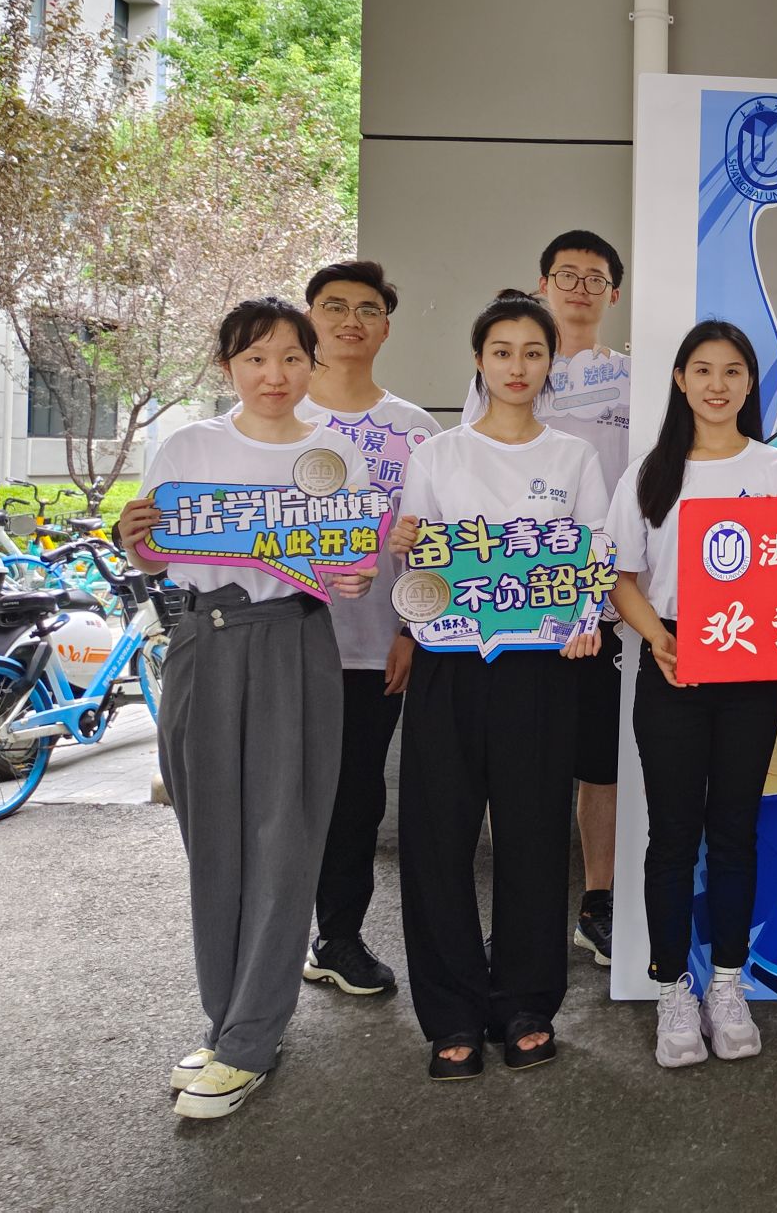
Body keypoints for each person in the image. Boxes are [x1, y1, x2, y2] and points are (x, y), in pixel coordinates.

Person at [117, 298, 374, 1121]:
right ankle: (228, 1020)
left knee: (283, 840)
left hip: (293, 644)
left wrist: (356, 574)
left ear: (311, 366)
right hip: (202, 645)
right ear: (227, 365)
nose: (275, 375)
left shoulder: (333, 453)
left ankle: (250, 1041)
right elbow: (154, 553)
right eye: (256, 358)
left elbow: (347, 563)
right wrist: (133, 537)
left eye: (292, 358)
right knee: (214, 843)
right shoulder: (188, 446)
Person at [388, 291, 608, 1080]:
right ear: (479, 360)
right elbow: (420, 573)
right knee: (437, 840)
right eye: (503, 351)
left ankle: (525, 1004)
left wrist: (586, 616)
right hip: (449, 666)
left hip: (542, 671)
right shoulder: (438, 455)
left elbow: (594, 559)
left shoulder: (574, 457)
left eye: (534, 353)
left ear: (551, 364)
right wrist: (406, 545)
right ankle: (449, 1012)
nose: (518, 367)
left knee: (534, 837)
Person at [605, 320, 777, 1069]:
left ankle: (726, 983)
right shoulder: (650, 473)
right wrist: (659, 640)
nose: (717, 385)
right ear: (681, 380)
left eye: (732, 372)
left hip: (753, 671)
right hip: (673, 665)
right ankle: (672, 988)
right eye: (703, 370)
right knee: (671, 835)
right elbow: (622, 576)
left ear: (750, 385)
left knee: (734, 832)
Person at [466, 230, 632, 968]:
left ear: (613, 293)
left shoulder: (632, 377)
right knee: (519, 765)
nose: (580, 288)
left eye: (595, 278)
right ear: (542, 284)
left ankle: (597, 903)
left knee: (600, 761)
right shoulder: (506, 370)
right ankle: (520, 914)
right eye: (567, 275)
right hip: (515, 601)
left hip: (601, 598)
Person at [296, 260, 439, 1002]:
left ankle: (338, 937)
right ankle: (264, 944)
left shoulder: (416, 431)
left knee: (355, 797)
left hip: (374, 644)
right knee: (282, 797)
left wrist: (409, 630)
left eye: (368, 309)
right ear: (310, 318)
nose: (351, 320)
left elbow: (433, 546)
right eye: (334, 306)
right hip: (281, 641)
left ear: (386, 327)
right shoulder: (277, 415)